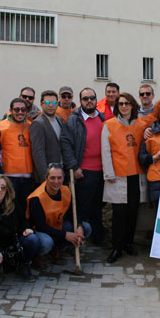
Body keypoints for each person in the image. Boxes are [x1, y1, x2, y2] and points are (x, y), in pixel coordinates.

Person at [101, 93, 148, 263]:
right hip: (118, 176)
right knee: (119, 214)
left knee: (133, 213)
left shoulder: (141, 125)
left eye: (127, 103)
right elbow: (105, 151)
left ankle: (128, 243)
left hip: (136, 174)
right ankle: (117, 247)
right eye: (121, 104)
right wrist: (109, 173)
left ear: (133, 105)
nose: (124, 106)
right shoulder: (109, 125)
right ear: (117, 106)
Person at [60, 87, 106, 245]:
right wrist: (73, 166)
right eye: (85, 98)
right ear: (80, 101)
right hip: (84, 171)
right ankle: (78, 239)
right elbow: (65, 144)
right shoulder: (74, 120)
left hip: (102, 171)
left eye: (92, 98)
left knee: (97, 207)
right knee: (81, 208)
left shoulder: (102, 118)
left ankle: (98, 238)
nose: (89, 101)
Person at [26, 164, 91, 259]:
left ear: (63, 178)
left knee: (86, 227)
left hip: (58, 225)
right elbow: (41, 226)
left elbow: (73, 213)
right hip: (41, 230)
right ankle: (37, 256)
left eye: (59, 178)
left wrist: (79, 226)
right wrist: (66, 235)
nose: (56, 182)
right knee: (46, 243)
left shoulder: (66, 191)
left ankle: (59, 247)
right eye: (52, 178)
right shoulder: (36, 198)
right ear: (46, 178)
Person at [0, 98, 34, 212]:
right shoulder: (0, 127)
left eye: (23, 109)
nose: (20, 112)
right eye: (16, 109)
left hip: (28, 177)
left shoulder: (31, 126)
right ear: (11, 110)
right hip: (9, 177)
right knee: (9, 209)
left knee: (25, 209)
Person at [30, 90, 64, 185]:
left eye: (54, 103)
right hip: (48, 177)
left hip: (59, 173)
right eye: (47, 103)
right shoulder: (38, 123)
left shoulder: (59, 119)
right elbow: (38, 152)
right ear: (41, 104)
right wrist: (45, 177)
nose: (51, 105)